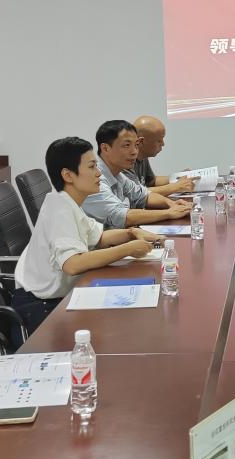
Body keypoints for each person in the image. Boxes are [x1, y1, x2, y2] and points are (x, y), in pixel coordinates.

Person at [12, 137, 165, 332]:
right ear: (68, 175)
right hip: (40, 309)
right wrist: (128, 249)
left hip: (58, 298)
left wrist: (131, 233)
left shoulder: (68, 201)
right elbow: (73, 264)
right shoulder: (59, 209)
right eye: (92, 167)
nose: (99, 173)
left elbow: (98, 237)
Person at [83, 120, 193, 229]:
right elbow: (122, 216)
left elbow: (144, 195)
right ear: (105, 148)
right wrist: (168, 213)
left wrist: (171, 203)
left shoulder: (118, 174)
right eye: (127, 145)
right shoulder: (94, 179)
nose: (134, 151)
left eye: (136, 145)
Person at [125, 115, 198, 196]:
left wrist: (178, 177)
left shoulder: (142, 156)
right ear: (141, 142)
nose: (163, 144)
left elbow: (152, 181)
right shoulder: (125, 161)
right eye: (159, 140)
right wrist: (176, 186)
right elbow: (136, 193)